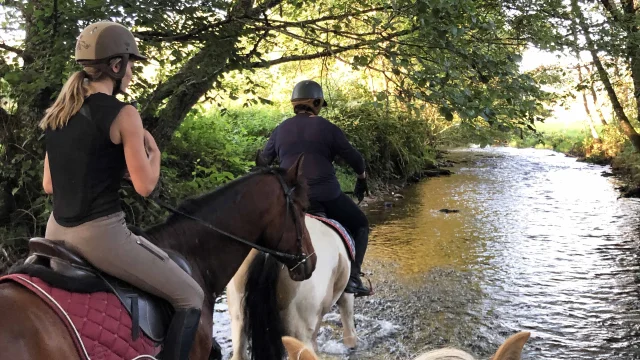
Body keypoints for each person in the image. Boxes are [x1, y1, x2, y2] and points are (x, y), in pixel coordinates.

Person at [40, 21, 204, 359]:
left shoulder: (59, 110)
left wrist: (108, 168)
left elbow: (49, 184)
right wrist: (153, 157)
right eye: (130, 64)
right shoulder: (124, 113)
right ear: (116, 66)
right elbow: (145, 186)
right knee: (191, 295)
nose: (131, 72)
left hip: (55, 230)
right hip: (100, 237)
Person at [260, 80, 372, 297]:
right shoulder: (328, 128)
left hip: (292, 198)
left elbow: (264, 161)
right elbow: (356, 159)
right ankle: (353, 278)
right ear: (317, 102)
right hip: (325, 196)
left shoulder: (280, 129)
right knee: (361, 225)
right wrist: (361, 178)